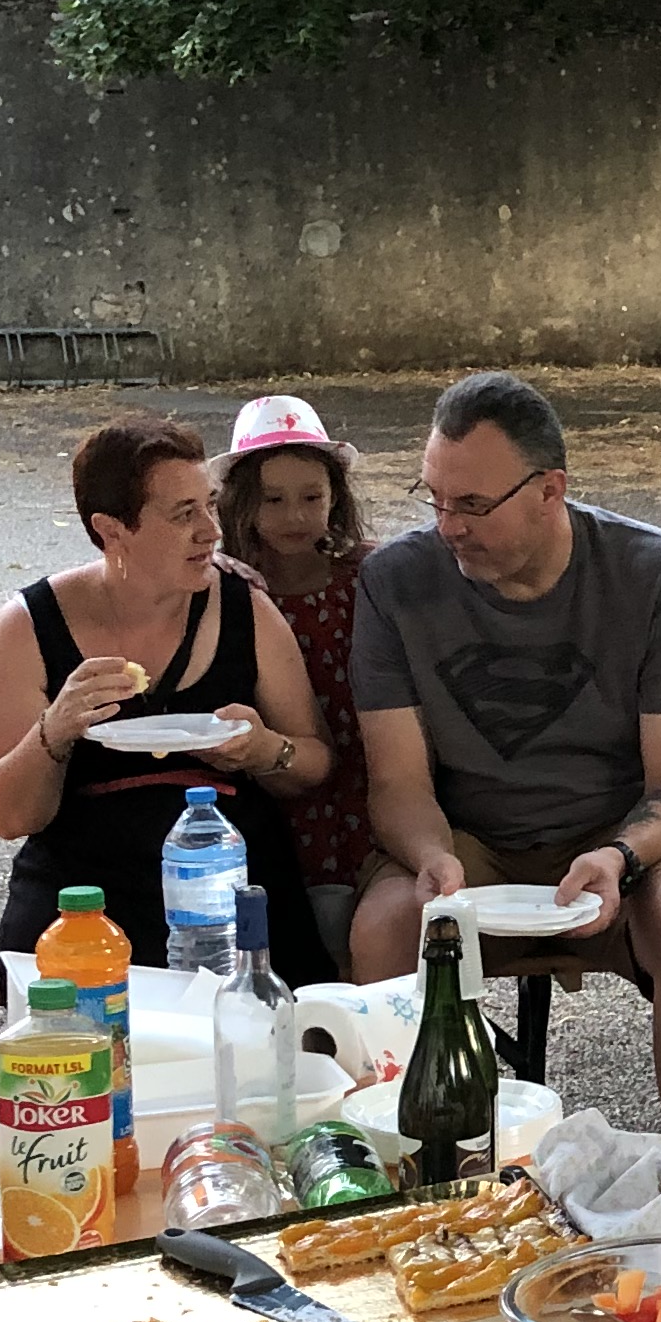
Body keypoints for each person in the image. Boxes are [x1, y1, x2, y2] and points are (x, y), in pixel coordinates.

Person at [349, 372, 661, 1127]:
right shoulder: (394, 581)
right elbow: (397, 783)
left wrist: (620, 859)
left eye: (472, 505)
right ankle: (415, 1170)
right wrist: (434, 857)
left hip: (620, 835)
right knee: (388, 921)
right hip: (471, 837)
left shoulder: (654, 573)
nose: (447, 527)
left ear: (549, 489)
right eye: (432, 497)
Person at [0, 413, 343, 982]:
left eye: (210, 506)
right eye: (183, 514)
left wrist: (266, 751)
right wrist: (54, 731)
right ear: (112, 528)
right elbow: (6, 814)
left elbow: (314, 762)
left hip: (226, 892)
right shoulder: (29, 626)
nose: (212, 531)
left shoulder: (245, 610)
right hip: (84, 903)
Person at [213, 394, 377, 970]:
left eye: (312, 498)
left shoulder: (369, 577)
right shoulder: (227, 591)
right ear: (241, 505)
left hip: (367, 774)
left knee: (367, 919)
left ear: (336, 499)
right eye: (272, 500)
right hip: (279, 790)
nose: (294, 517)